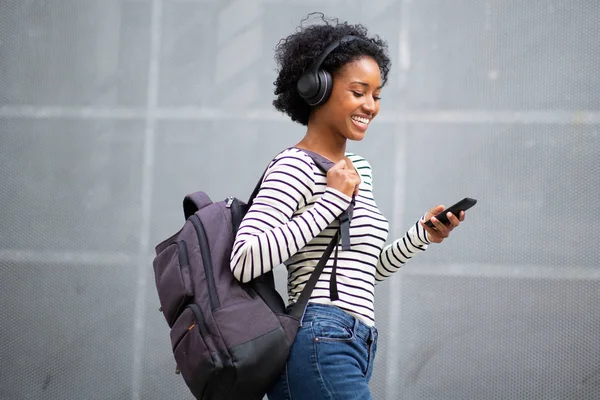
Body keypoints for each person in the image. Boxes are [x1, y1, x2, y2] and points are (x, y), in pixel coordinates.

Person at [230, 13, 466, 400]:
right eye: (359, 92)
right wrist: (332, 200)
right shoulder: (295, 165)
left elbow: (362, 269)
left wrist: (420, 235)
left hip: (357, 342)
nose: (370, 106)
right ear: (317, 89)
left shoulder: (360, 172)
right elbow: (245, 260)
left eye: (376, 95)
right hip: (319, 339)